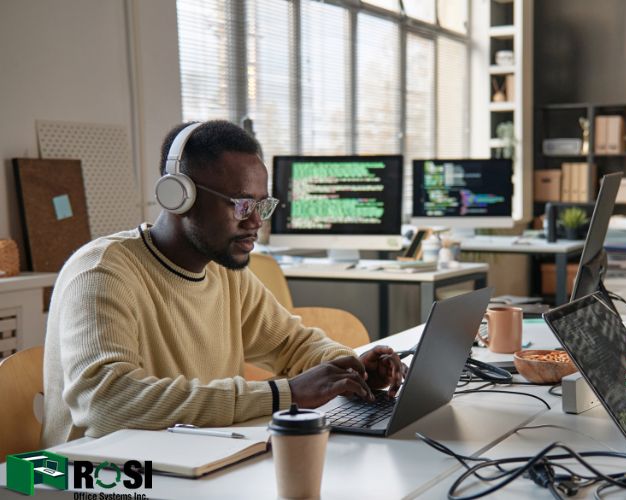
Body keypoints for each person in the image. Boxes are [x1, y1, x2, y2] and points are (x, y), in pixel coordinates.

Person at [42, 121, 405, 447]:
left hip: (192, 457)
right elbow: (106, 402)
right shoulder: (102, 272)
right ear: (179, 195)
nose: (256, 224)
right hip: (93, 475)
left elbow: (293, 345)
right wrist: (284, 394)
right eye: (242, 205)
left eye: (263, 206)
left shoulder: (227, 273)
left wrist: (349, 369)